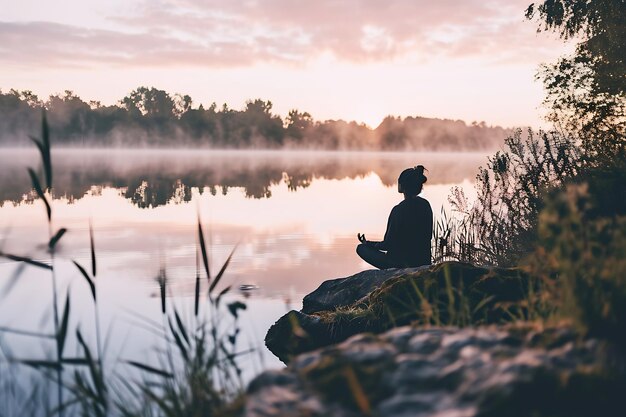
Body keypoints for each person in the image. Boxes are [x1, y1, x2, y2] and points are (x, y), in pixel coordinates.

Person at [357, 165, 433, 269]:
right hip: (422, 261)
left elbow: (387, 245)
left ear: (402, 185)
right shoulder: (426, 205)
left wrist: (368, 244)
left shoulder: (398, 210)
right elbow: (428, 236)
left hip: (399, 264)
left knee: (361, 248)